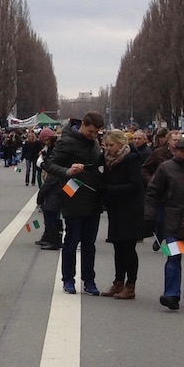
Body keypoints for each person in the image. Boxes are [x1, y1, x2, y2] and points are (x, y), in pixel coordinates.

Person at [45, 112, 106, 295]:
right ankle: (68, 279)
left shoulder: (95, 143)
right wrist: (68, 171)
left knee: (90, 244)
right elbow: (50, 164)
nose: (94, 135)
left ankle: (89, 280)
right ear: (83, 125)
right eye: (91, 131)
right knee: (71, 241)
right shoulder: (66, 142)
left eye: (97, 132)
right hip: (73, 197)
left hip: (93, 198)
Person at [145, 135, 184, 310]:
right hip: (173, 224)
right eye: (183, 152)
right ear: (176, 151)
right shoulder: (167, 168)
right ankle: (171, 294)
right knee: (172, 258)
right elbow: (153, 192)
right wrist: (149, 216)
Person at [99, 130, 147, 300]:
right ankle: (118, 281)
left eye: (112, 145)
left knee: (128, 248)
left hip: (130, 209)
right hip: (116, 208)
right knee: (117, 247)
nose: (108, 148)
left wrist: (110, 190)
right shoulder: (107, 159)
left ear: (121, 143)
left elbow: (135, 185)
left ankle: (130, 285)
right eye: (107, 145)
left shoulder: (131, 159)